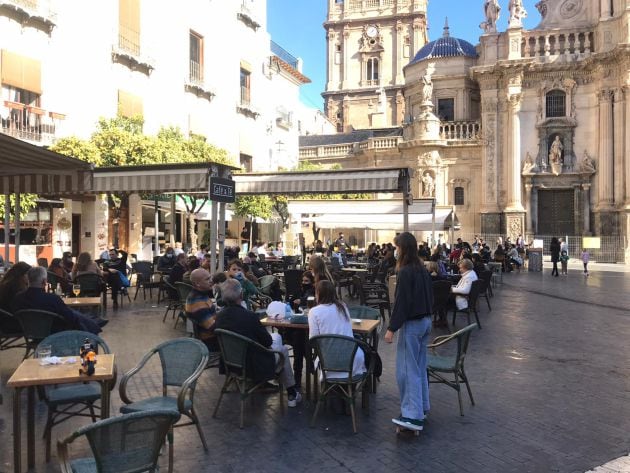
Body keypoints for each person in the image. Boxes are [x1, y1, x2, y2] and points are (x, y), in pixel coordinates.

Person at [214, 278, 302, 407]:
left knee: (277, 341)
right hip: (253, 365)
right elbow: (266, 342)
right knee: (282, 350)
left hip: (231, 364)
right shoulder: (249, 316)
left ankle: (291, 392)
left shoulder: (219, 316)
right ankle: (291, 392)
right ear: (241, 295)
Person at [384, 232, 433, 432]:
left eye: (397, 248)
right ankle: (422, 407)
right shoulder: (422, 269)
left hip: (412, 324)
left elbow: (402, 303)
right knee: (419, 367)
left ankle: (412, 415)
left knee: (407, 370)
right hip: (425, 321)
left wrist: (391, 329)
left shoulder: (405, 272)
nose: (396, 251)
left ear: (403, 249)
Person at [11, 267, 106, 334]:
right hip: (55, 332)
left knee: (75, 314)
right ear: (44, 282)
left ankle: (92, 320)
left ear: (28, 280)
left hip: (30, 332)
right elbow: (71, 318)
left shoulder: (18, 298)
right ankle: (93, 322)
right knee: (76, 316)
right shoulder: (52, 298)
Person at [309, 280, 366, 380]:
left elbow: (313, 340)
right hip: (352, 359)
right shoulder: (342, 306)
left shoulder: (314, 312)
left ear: (318, 294)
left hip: (329, 362)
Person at [185, 268, 218, 352]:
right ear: (197, 284)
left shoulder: (201, 294)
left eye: (210, 277)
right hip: (211, 342)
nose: (211, 281)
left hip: (212, 338)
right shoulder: (197, 302)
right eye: (207, 279)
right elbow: (212, 327)